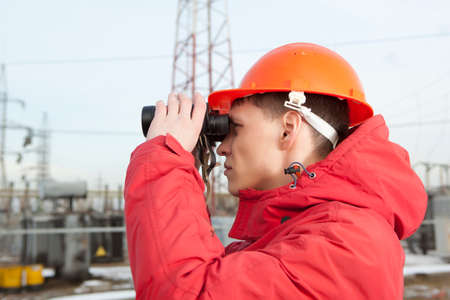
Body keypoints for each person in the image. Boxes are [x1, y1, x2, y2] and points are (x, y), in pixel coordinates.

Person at [125, 43, 427, 299]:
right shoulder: (297, 233)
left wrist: (164, 160)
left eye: (236, 128)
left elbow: (189, 290)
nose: (222, 148)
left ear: (288, 129)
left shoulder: (346, 242)